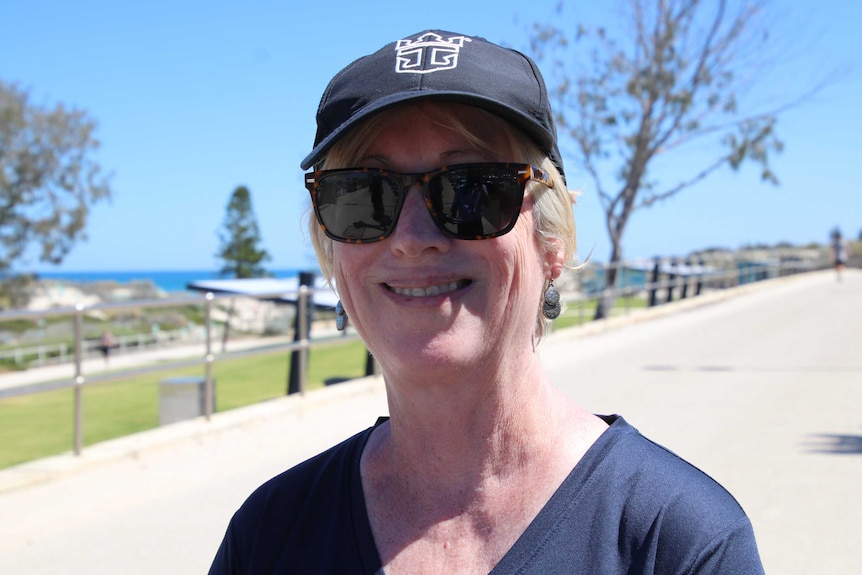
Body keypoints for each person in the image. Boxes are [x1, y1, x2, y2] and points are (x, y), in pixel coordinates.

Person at [208, 30, 764, 574]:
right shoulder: (269, 534)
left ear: (552, 243)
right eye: (363, 195)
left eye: (471, 189)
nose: (411, 236)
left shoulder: (679, 543)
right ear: (333, 252)